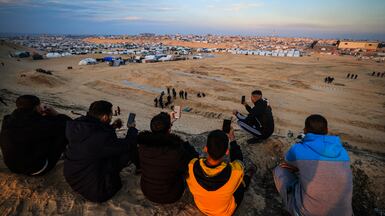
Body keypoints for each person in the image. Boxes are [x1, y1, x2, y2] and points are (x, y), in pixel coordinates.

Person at [273, 114, 352, 216]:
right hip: (345, 213)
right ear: (327, 130)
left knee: (279, 170)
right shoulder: (343, 152)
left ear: (305, 130)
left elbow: (287, 163)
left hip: (306, 213)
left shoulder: (298, 149)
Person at [64, 100, 139, 203]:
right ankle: (140, 168)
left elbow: (95, 138)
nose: (111, 117)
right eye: (110, 115)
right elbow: (127, 144)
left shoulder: (78, 125)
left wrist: (111, 127)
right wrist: (132, 129)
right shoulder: (102, 138)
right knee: (129, 149)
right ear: (104, 117)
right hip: (97, 191)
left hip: (73, 178)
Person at [186, 129, 254, 216]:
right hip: (224, 213)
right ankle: (247, 179)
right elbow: (238, 160)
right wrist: (232, 139)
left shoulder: (191, 166)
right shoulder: (235, 172)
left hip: (201, 206)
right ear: (227, 152)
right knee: (241, 186)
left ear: (205, 149)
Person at [0, 95, 71, 176]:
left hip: (12, 167)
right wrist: (55, 113)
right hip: (36, 169)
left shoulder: (7, 119)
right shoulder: (41, 124)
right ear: (36, 107)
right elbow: (69, 123)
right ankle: (67, 155)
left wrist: (40, 115)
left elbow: (29, 127)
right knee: (62, 132)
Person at [138, 112, 198, 204]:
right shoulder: (175, 150)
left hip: (147, 191)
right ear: (169, 130)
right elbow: (192, 160)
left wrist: (167, 123)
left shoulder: (142, 146)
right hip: (170, 195)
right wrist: (184, 144)